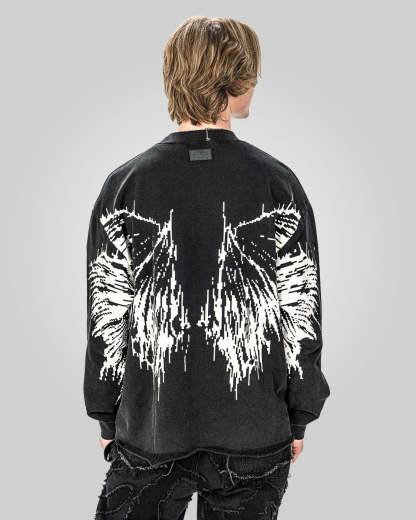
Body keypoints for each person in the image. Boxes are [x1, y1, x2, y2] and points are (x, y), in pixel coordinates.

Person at [83, 16, 330, 519]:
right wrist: (299, 413)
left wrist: (106, 412)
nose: (257, 82)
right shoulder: (277, 183)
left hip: (151, 431)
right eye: (252, 72)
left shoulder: (125, 185)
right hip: (254, 433)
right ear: (236, 80)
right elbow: (301, 309)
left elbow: (107, 314)